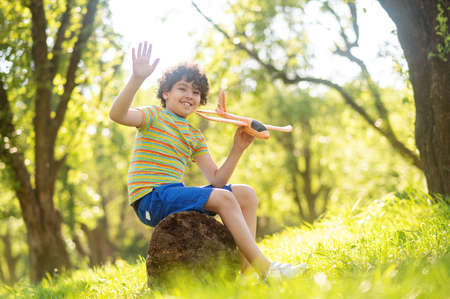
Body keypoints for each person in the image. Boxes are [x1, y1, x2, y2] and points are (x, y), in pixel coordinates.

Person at [109, 41, 305, 280]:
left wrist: (237, 149)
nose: (189, 95)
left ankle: (246, 275)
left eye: (196, 92)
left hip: (172, 193)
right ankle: (267, 270)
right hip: (150, 198)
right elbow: (117, 115)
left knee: (246, 194)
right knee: (223, 198)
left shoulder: (194, 135)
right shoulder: (153, 115)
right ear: (166, 93)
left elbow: (217, 180)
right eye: (182, 88)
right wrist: (137, 78)